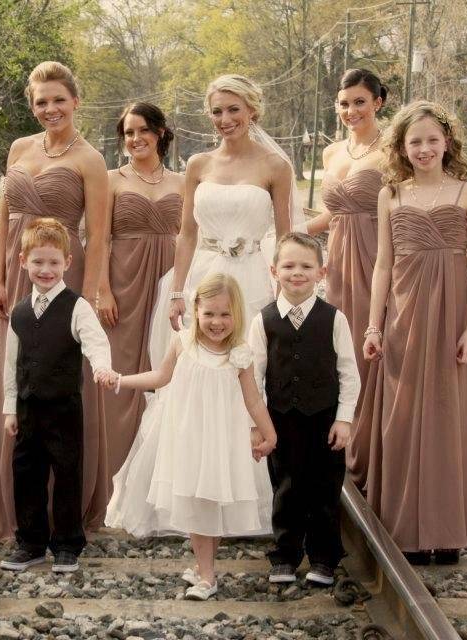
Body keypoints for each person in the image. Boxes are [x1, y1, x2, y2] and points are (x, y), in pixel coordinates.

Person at [0, 61, 111, 542]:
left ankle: (65, 508)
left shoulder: (90, 159)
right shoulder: (18, 148)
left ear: (75, 101)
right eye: (41, 101)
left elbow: (101, 234)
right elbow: (5, 221)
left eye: (58, 100)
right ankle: (16, 505)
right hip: (19, 268)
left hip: (62, 270)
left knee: (60, 378)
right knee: (17, 374)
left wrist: (88, 295)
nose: (50, 109)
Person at [362, 101, 467, 564]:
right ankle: (407, 528)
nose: (423, 149)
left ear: (447, 143)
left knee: (448, 416)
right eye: (414, 141)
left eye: (431, 140)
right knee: (400, 418)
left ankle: (448, 530)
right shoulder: (390, 195)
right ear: (401, 146)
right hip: (403, 316)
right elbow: (383, 264)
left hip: (450, 316)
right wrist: (374, 324)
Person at [102, 273, 277, 601]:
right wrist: (120, 380)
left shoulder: (239, 353)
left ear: (236, 315)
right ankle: (205, 571)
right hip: (190, 440)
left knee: (211, 506)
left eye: (225, 314)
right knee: (200, 507)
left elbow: (253, 399)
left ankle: (207, 574)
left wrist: (268, 433)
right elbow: (161, 376)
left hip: (222, 442)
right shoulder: (183, 343)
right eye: (209, 313)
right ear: (195, 310)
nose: (217, 322)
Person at [147, 74, 294, 368]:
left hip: (251, 278)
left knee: (247, 366)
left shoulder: (275, 166)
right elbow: (187, 234)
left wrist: (283, 300)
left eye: (233, 109)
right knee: (197, 366)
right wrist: (177, 293)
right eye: (217, 111)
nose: (225, 119)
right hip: (202, 278)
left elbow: (284, 238)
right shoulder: (199, 164)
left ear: (251, 109)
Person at [0, 218, 112, 573]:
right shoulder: (18, 311)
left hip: (64, 409)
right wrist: (9, 408)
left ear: (67, 263)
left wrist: (101, 367)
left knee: (66, 474)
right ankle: (30, 542)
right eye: (38, 262)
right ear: (23, 262)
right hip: (29, 410)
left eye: (53, 262)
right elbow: (11, 364)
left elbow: (96, 341)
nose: (45, 270)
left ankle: (66, 544)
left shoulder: (77, 307)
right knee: (26, 474)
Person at [248, 232, 360, 585]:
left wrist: (344, 419)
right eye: (289, 265)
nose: (297, 273)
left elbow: (349, 372)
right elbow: (254, 376)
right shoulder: (263, 320)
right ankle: (284, 555)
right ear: (274, 270)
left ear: (321, 272)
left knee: (325, 489)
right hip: (280, 420)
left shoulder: (334, 319)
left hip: (325, 419)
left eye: (306, 266)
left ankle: (324, 558)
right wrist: (257, 425)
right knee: (285, 488)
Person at [305, 69, 387, 487]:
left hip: (378, 257)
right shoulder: (331, 153)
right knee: (344, 352)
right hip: (338, 262)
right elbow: (333, 212)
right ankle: (347, 449)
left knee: (377, 350)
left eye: (359, 101)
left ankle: (379, 455)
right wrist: (294, 234)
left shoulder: (394, 149)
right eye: (344, 103)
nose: (351, 110)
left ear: (378, 102)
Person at [97, 102, 183, 476]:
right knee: (121, 371)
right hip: (123, 282)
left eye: (142, 130)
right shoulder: (111, 179)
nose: (135, 139)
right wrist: (103, 289)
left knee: (167, 372)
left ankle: (158, 476)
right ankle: (115, 473)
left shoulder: (182, 181)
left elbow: (191, 236)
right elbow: (98, 239)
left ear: (160, 132)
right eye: (128, 133)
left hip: (169, 280)